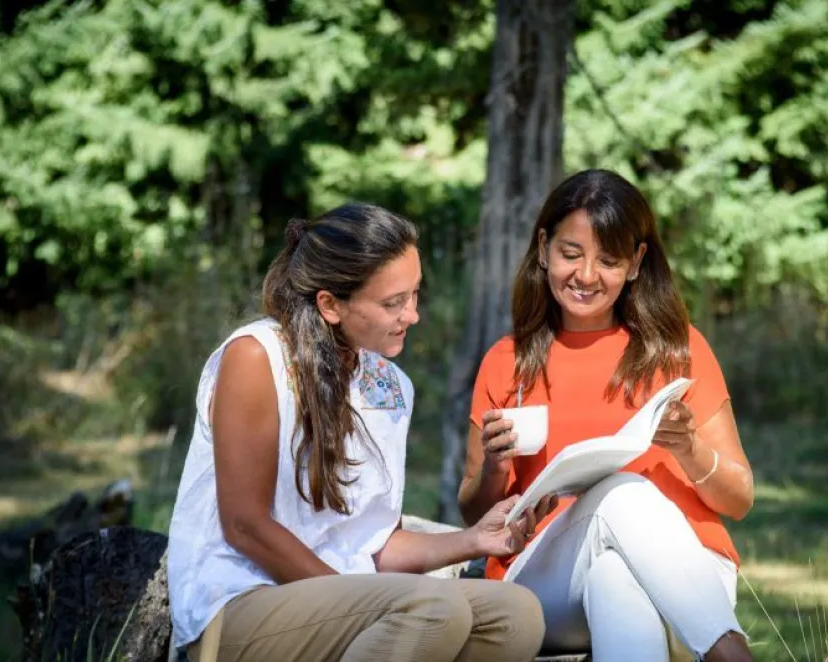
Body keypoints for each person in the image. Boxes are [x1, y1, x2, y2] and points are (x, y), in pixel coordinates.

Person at [167, 202, 553, 662]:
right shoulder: (256, 357)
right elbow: (245, 525)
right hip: (238, 605)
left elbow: (375, 542)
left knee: (517, 614)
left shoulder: (389, 386)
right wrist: (360, 598)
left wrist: (474, 540)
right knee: (431, 608)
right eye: (393, 303)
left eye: (415, 295)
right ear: (330, 304)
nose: (412, 316)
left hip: (345, 599)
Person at [459, 169, 755, 662]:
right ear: (542, 248)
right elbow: (472, 511)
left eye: (609, 260)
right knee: (623, 493)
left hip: (693, 580)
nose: (586, 276)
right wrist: (495, 466)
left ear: (637, 263)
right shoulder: (506, 360)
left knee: (616, 577)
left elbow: (740, 499)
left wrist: (688, 447)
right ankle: (732, 655)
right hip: (547, 581)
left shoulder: (681, 348)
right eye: (570, 254)